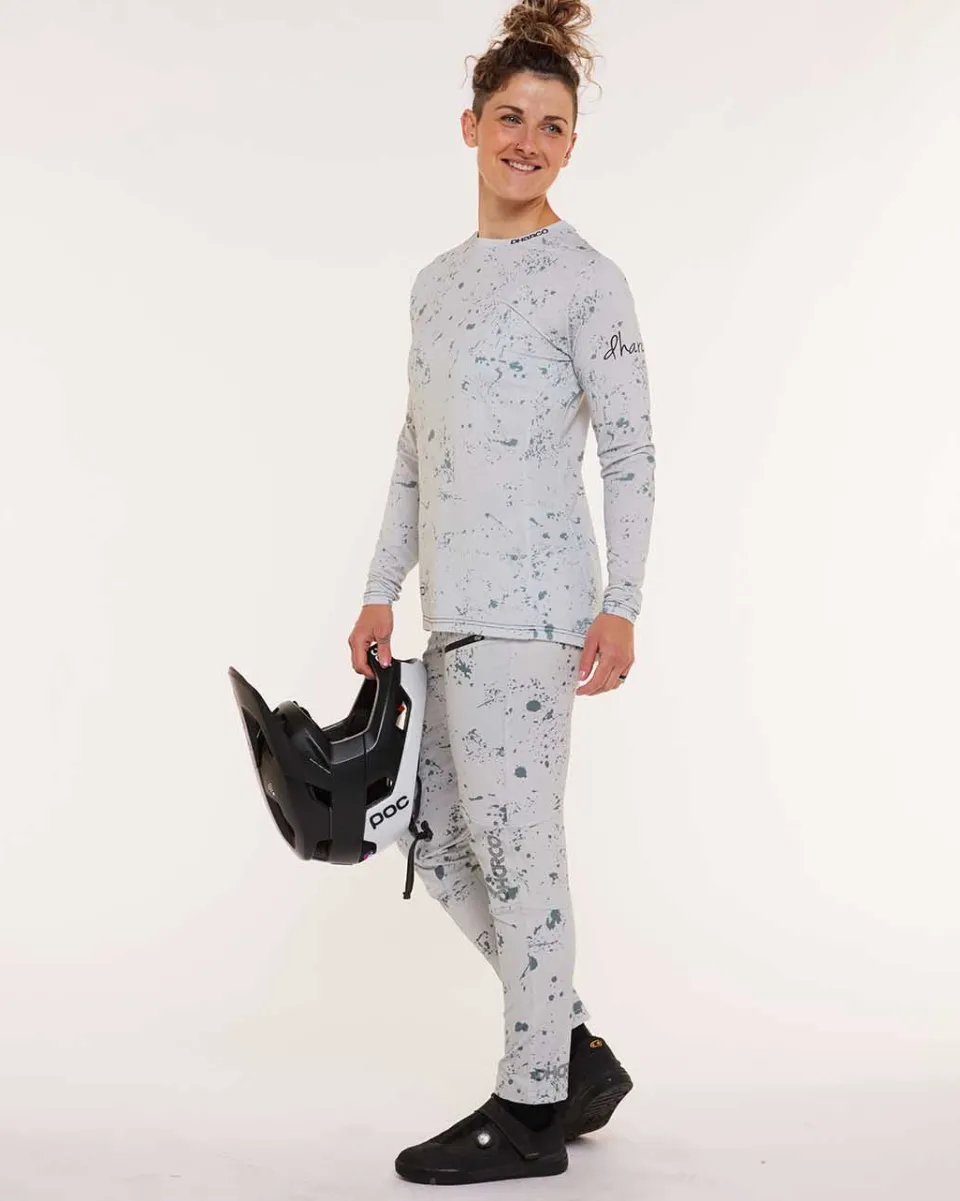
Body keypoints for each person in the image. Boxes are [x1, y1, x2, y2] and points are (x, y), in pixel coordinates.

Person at [348, 0, 656, 1185]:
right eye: (512, 118)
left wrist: (623, 599)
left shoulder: (588, 283)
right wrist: (381, 587)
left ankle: (530, 1111)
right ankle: (571, 1050)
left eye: (553, 125)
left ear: (572, 147)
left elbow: (628, 452)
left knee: (522, 854)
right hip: (452, 613)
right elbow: (414, 450)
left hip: (537, 616)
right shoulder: (435, 286)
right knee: (431, 833)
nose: (529, 141)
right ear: (471, 126)